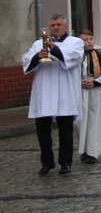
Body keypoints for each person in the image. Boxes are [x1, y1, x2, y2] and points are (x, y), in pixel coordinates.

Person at [23, 14, 84, 175]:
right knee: (42, 128)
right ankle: (46, 162)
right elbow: (26, 62)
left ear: (65, 26)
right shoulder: (38, 44)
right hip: (44, 90)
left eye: (58, 24)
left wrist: (54, 49)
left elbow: (74, 58)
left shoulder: (75, 42)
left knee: (65, 128)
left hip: (65, 90)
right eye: (52, 25)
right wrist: (38, 56)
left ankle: (65, 162)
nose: (55, 27)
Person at [77, 30, 101, 164]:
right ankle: (84, 149)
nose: (89, 42)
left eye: (91, 39)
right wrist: (78, 83)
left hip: (94, 93)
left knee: (95, 122)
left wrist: (94, 82)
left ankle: (92, 152)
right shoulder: (76, 56)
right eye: (85, 39)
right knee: (79, 122)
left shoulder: (99, 57)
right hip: (80, 93)